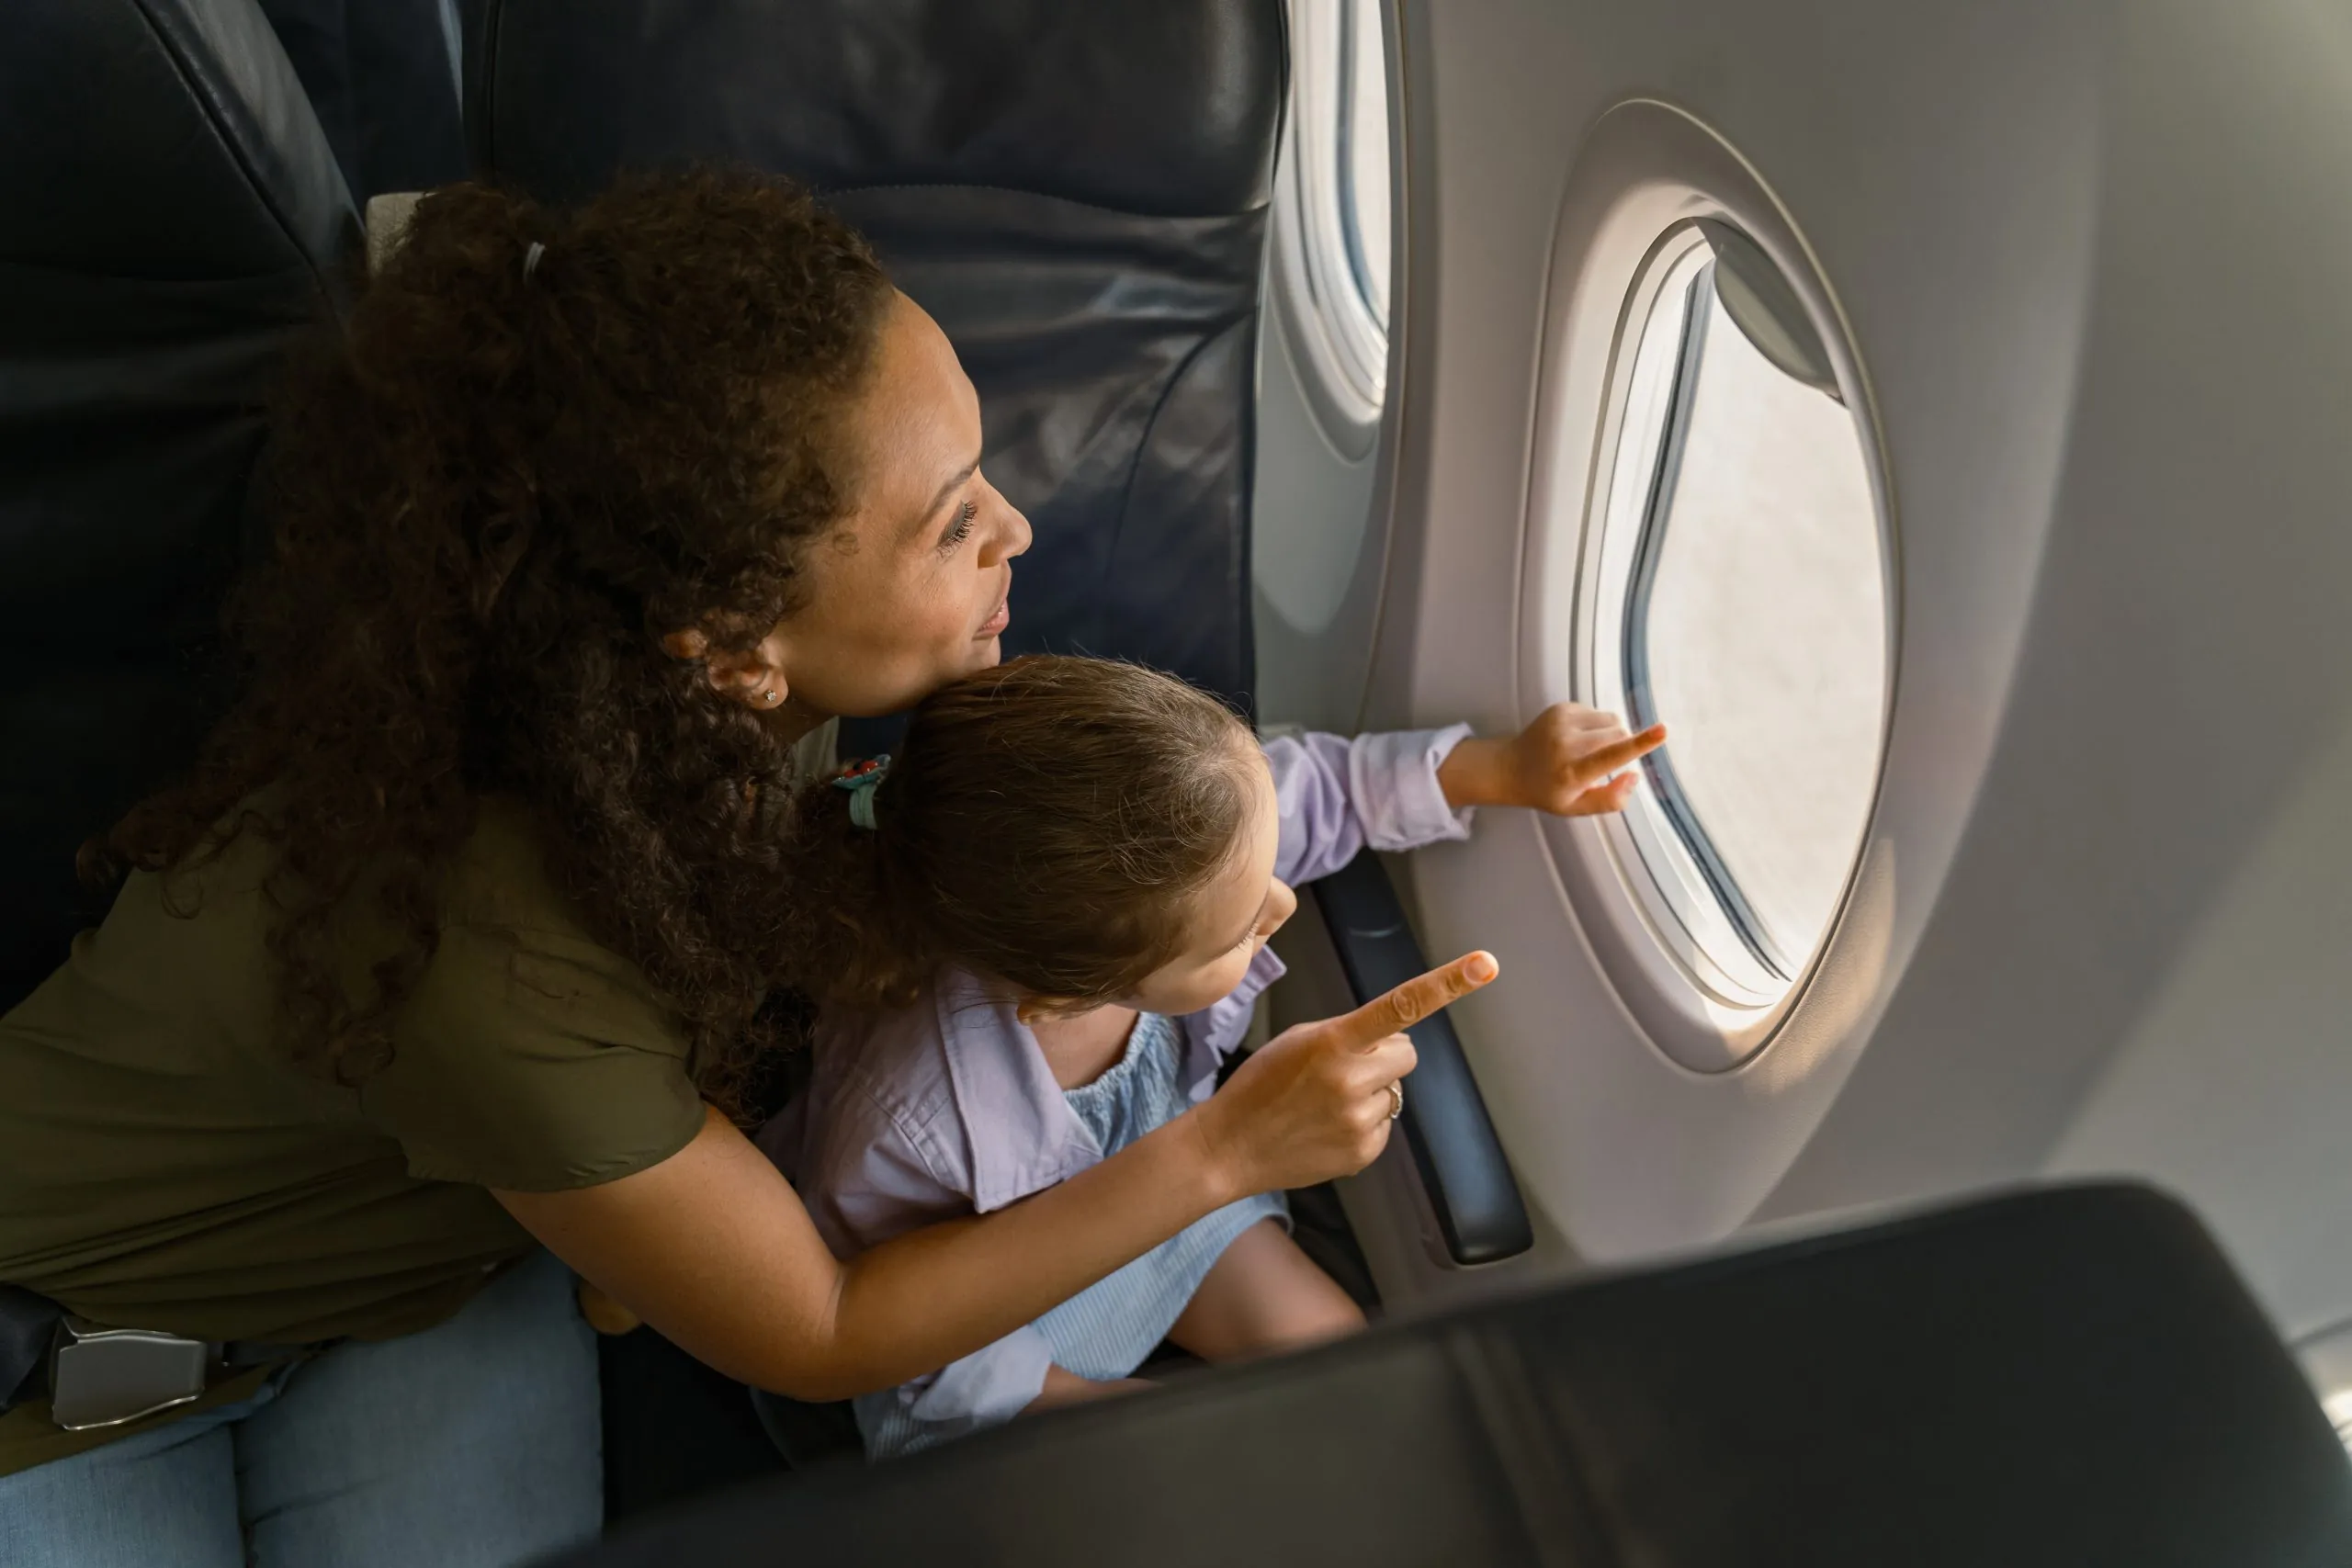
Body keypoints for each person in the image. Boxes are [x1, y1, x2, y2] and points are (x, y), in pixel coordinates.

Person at [0, 171, 1475, 1568]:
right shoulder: (505, 962)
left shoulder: (706, 709)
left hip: (418, 1288)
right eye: (955, 518)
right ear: (730, 637)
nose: (1017, 530)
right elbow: (823, 1323)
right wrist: (1222, 1152)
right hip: (73, 1344)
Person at [762, 656, 1663, 1458]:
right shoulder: (904, 1118)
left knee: (1357, 1376)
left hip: (1178, 1207)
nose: (1280, 903)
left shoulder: (1197, 835)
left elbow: (1322, 790)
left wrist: (1500, 769)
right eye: (1237, 933)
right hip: (992, 1322)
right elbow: (923, 1343)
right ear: (1069, 999)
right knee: (1202, 1464)